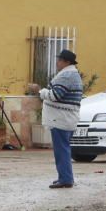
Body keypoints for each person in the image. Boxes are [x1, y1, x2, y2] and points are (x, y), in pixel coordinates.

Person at [36, 49, 83, 189]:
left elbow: (55, 95)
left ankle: (66, 179)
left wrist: (40, 90)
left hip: (61, 119)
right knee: (64, 150)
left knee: (61, 151)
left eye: (60, 60)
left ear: (66, 62)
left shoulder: (66, 75)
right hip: (66, 118)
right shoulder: (72, 74)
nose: (57, 62)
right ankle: (64, 177)